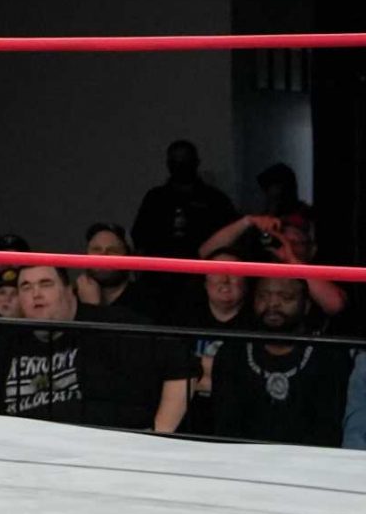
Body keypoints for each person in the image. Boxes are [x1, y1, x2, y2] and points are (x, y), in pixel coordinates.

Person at [0, 264, 193, 433]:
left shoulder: (111, 326)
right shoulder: (8, 342)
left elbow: (184, 366)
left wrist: (158, 436)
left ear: (69, 290)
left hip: (101, 453)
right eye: (26, 287)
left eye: (46, 284)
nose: (36, 294)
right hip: (24, 456)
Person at [207, 276, 350, 446]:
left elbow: (328, 430)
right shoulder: (232, 352)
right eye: (263, 296)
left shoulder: (328, 357)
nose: (272, 304)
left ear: (306, 305)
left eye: (286, 297)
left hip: (309, 459)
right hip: (243, 457)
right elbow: (225, 426)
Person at [130, 140, 238, 321]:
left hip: (201, 279)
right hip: (157, 280)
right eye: (175, 161)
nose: (180, 165)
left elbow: (230, 243)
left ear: (196, 162)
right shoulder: (156, 198)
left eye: (185, 160)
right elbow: (139, 240)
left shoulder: (214, 199)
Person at [199, 205, 349, 324]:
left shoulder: (317, 278)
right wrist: (248, 221)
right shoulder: (258, 268)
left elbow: (335, 304)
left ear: (312, 249)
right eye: (283, 240)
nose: (288, 245)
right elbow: (207, 253)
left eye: (296, 242)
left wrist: (292, 260)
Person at [182, 271, 249, 436]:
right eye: (217, 272)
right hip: (190, 416)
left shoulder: (256, 325)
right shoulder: (185, 319)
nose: (225, 280)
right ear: (205, 283)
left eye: (233, 273)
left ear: (246, 283)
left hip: (238, 420)